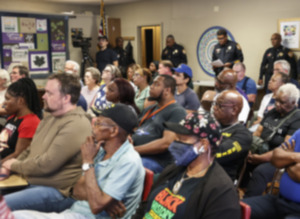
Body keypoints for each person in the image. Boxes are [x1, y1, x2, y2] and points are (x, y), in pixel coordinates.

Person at [13, 103, 145, 219]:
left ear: (113, 131)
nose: (93, 127)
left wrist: (88, 162)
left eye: (98, 123)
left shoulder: (128, 161)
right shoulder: (100, 151)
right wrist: (100, 198)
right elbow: (76, 191)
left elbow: (96, 206)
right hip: (74, 211)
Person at [0, 73, 92, 212]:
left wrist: (14, 165)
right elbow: (29, 150)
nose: (43, 96)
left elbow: (48, 164)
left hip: (57, 191)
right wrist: (9, 166)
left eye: (49, 93)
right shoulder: (50, 117)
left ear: (66, 98)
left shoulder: (77, 124)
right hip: (30, 181)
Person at [133, 112, 241, 219]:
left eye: (182, 139)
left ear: (204, 144)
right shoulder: (174, 169)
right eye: (177, 138)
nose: (175, 143)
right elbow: (145, 207)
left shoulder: (221, 191)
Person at [245, 83, 300, 197]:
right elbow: (258, 132)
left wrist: (260, 159)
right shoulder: (273, 111)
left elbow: (285, 149)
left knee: (260, 171)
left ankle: (248, 204)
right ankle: (238, 191)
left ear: (294, 103)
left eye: (282, 102)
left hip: (277, 159)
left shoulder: (297, 119)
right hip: (260, 150)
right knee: (239, 158)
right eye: (277, 100)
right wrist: (250, 149)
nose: (277, 104)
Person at [132, 74, 186, 173]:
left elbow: (166, 143)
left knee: (132, 164)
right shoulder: (150, 109)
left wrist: (134, 150)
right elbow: (135, 129)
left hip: (157, 161)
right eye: (152, 83)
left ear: (167, 90)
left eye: (156, 84)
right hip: (136, 153)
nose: (151, 86)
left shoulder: (177, 111)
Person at [243, 130, 300, 219]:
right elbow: (275, 158)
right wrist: (295, 157)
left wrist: (287, 161)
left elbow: (297, 173)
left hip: (297, 212)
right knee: (235, 209)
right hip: (279, 200)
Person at [213, 90, 252, 181]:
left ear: (234, 110)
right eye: (215, 104)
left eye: (220, 105)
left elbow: (217, 156)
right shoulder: (211, 123)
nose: (215, 108)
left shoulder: (243, 135)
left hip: (219, 179)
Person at [0, 78, 41, 163]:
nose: (3, 104)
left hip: (8, 165)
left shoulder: (30, 122)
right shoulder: (13, 117)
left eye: (7, 99)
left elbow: (18, 155)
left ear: (20, 101)